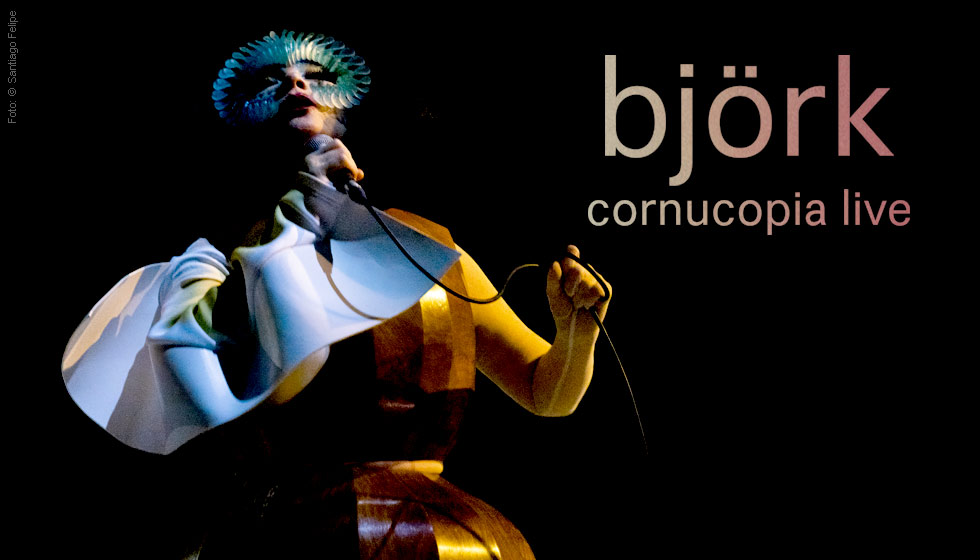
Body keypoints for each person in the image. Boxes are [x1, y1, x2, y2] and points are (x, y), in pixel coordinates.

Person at [63, 31, 611, 559]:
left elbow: (544, 392)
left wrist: (576, 329)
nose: (295, 84)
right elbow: (272, 383)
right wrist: (306, 204)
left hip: (444, 534)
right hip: (287, 538)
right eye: (271, 80)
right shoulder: (212, 270)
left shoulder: (422, 248)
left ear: (344, 108)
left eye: (314, 75)